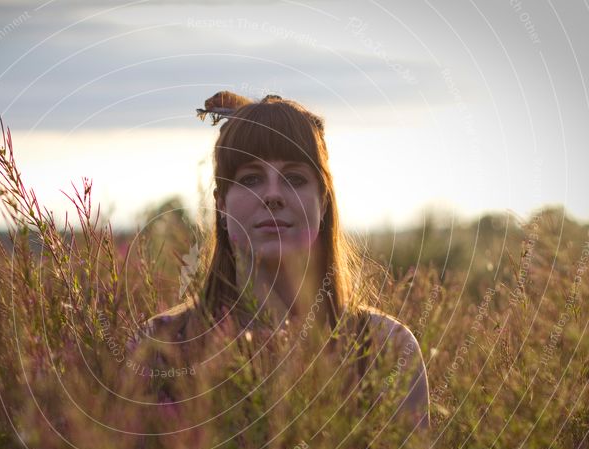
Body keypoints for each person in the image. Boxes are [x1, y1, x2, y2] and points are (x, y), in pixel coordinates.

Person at [134, 91, 429, 430]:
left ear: (323, 202)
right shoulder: (161, 346)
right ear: (222, 206)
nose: (273, 194)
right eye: (251, 178)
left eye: (294, 178)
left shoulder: (386, 347)